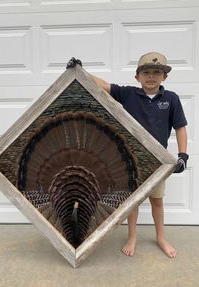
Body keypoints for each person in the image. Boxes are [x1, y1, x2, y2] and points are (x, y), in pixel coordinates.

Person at [66, 52, 189, 258]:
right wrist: (80, 70)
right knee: (131, 203)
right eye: (146, 72)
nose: (151, 76)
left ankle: (161, 237)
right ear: (137, 77)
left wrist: (183, 155)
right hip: (132, 161)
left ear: (164, 77)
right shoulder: (129, 94)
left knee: (157, 201)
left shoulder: (171, 99)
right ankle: (131, 237)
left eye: (157, 72)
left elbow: (181, 128)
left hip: (158, 163)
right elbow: (104, 86)